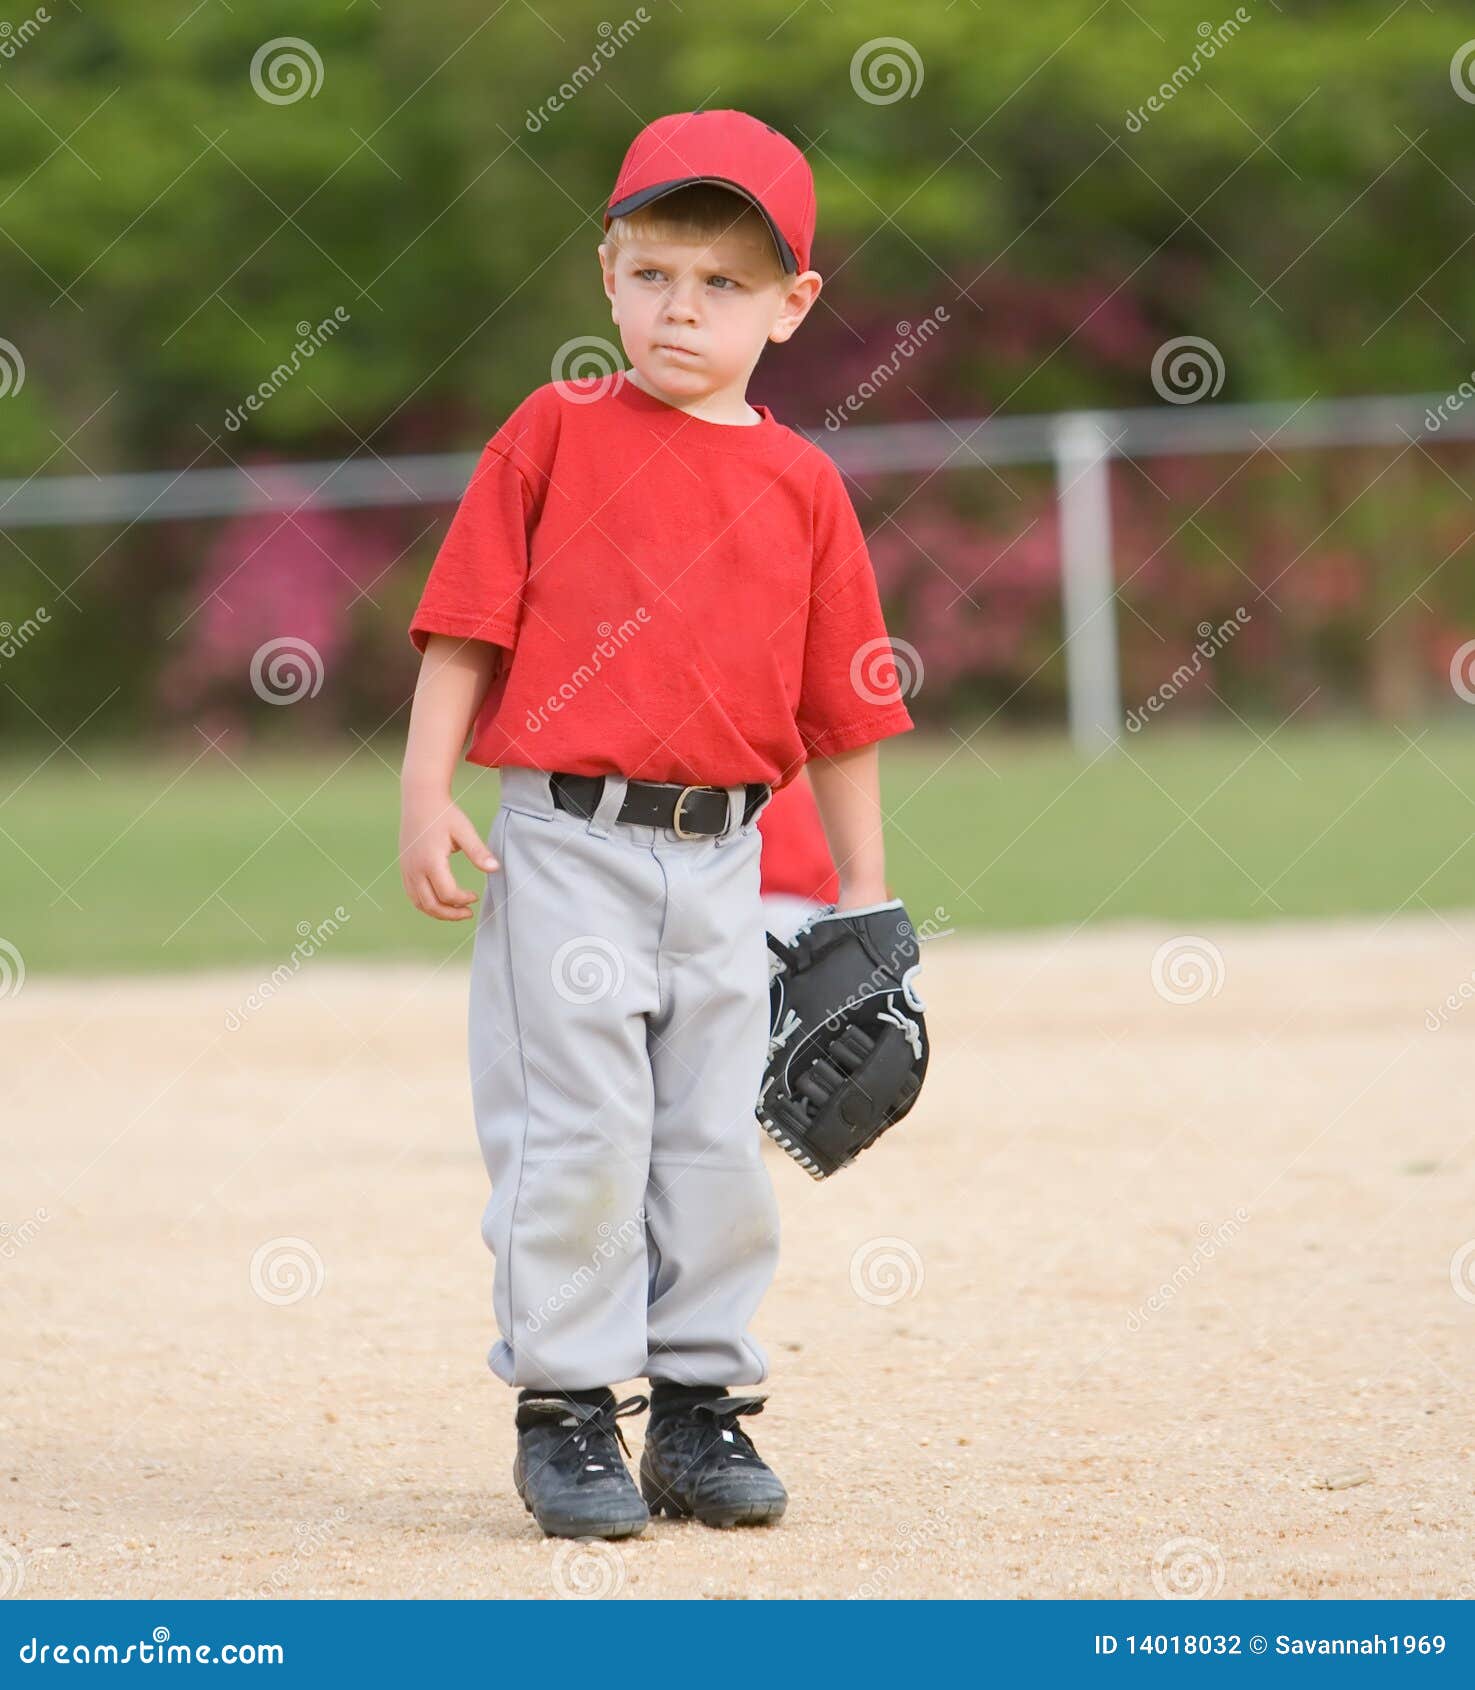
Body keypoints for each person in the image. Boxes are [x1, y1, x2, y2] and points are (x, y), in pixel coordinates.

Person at [398, 109, 914, 1540]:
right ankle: (567, 1407)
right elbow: (462, 632)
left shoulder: (804, 485)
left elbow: (845, 714)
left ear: (793, 305)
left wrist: (866, 905)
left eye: (726, 283)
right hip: (566, 840)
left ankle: (698, 1409)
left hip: (731, 860)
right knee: (582, 1131)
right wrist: (426, 789)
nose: (684, 307)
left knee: (710, 1139)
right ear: (606, 274)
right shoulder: (553, 432)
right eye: (657, 273)